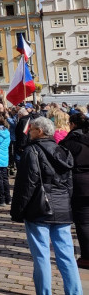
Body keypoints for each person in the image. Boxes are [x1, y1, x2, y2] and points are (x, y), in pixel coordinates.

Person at [11, 116, 81, 294]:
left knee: (41, 255)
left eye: (32, 129)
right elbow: (69, 184)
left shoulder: (32, 151)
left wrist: (18, 210)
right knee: (66, 255)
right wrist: (67, 203)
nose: (29, 132)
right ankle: (74, 292)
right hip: (61, 207)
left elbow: (26, 184)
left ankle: (44, 292)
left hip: (38, 207)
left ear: (40, 131)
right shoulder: (62, 150)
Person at [62, 113, 89, 269]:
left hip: (80, 185)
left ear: (72, 124)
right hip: (82, 184)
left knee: (84, 223)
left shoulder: (71, 141)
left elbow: (62, 163)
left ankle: (86, 256)